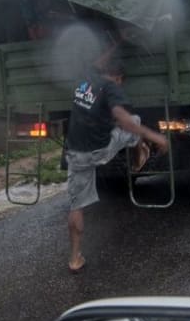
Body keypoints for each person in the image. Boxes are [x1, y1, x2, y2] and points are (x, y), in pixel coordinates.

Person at [64, 47, 168, 273]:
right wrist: (155, 136)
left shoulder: (86, 78)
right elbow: (123, 119)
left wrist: (120, 41)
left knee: (76, 205)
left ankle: (74, 259)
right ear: (119, 78)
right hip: (100, 151)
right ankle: (140, 152)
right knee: (134, 120)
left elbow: (99, 58)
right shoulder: (111, 88)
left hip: (75, 151)